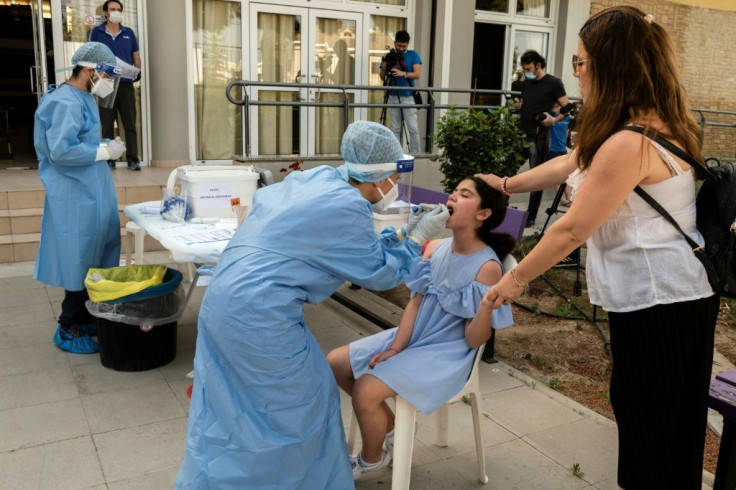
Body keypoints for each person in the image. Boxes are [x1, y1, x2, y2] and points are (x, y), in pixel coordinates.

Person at [479, 7, 719, 489]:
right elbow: (568, 164)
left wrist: (513, 280)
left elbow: (571, 230)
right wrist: (505, 183)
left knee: (648, 422)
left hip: (659, 301)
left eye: (581, 61)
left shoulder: (628, 144)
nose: (576, 72)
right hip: (678, 294)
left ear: (612, 66)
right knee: (672, 420)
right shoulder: (651, 124)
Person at [175, 121, 450, 489]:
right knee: (302, 401)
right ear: (379, 175)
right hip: (258, 314)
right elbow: (379, 274)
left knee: (232, 400)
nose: (394, 185)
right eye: (392, 175)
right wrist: (419, 237)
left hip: (224, 299)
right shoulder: (347, 206)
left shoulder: (319, 180)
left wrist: (402, 232)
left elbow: (348, 244)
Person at [327, 176, 515, 479]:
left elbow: (473, 339)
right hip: (415, 335)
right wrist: (395, 348)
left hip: (448, 351)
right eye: (453, 191)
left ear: (483, 214)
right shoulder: (436, 248)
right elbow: (414, 304)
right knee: (335, 363)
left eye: (464, 194)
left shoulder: (487, 267)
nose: (451, 198)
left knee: (365, 389)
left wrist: (484, 308)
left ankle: (371, 458)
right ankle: (391, 426)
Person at [33, 42, 125, 354]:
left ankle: (86, 318)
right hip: (74, 194)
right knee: (79, 258)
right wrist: (102, 151)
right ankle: (68, 327)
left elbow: (80, 138)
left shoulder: (83, 97)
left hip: (91, 190)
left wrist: (103, 143)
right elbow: (61, 150)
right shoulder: (64, 101)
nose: (108, 81)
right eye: (106, 74)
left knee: (96, 255)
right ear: (90, 70)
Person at [517, 50, 569, 227]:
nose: (527, 72)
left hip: (538, 136)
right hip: (521, 133)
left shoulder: (553, 83)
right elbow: (525, 105)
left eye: (529, 68)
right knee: (507, 169)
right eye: (524, 69)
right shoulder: (527, 83)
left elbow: (568, 107)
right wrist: (519, 106)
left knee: (535, 177)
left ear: (538, 65)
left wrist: (554, 120)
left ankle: (530, 217)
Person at [89, 0, 141, 171]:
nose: (116, 12)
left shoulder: (129, 33)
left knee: (129, 123)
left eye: (119, 9)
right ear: (105, 12)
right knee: (107, 122)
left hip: (125, 83)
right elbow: (92, 56)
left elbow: (136, 55)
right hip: (105, 82)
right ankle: (109, 158)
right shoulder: (96, 32)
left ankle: (133, 159)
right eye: (112, 9)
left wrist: (137, 70)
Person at [379, 30, 422, 154]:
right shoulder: (390, 56)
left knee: (413, 128)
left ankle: (416, 155)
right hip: (392, 95)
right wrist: (385, 64)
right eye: (399, 46)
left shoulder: (413, 55)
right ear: (395, 43)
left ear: (408, 44)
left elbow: (417, 74)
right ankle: (396, 154)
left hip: (408, 96)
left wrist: (403, 74)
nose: (402, 48)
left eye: (404, 46)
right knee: (395, 128)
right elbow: (382, 77)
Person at [548, 102, 572, 206]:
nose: (556, 109)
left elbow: (567, 134)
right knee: (555, 177)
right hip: (552, 150)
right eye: (555, 106)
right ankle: (561, 199)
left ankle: (570, 198)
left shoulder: (568, 119)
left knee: (566, 176)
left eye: (558, 107)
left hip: (563, 149)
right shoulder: (551, 119)